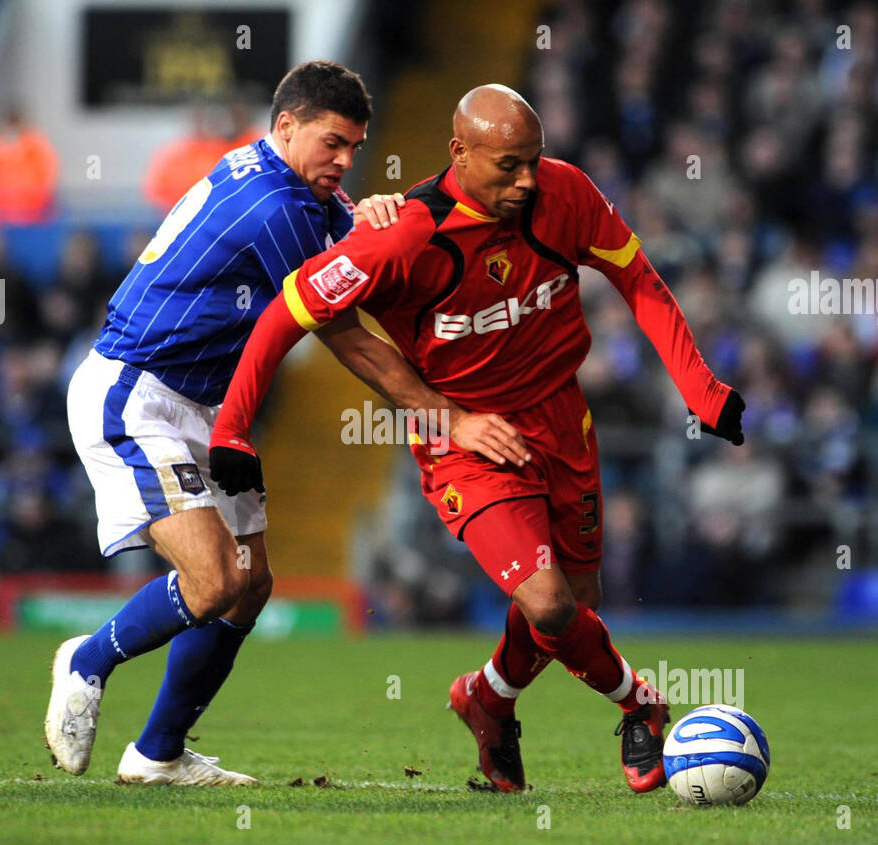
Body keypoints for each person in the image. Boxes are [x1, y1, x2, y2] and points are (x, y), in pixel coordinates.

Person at [209, 85, 746, 792]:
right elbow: (289, 311)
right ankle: (640, 701)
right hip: (464, 437)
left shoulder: (567, 193)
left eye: (534, 161)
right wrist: (231, 427)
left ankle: (488, 700)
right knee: (550, 604)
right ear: (459, 152)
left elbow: (637, 278)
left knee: (573, 606)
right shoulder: (400, 235)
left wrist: (700, 388)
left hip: (562, 420)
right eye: (508, 166)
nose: (526, 181)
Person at [47, 62, 522, 787]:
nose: (344, 160)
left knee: (252, 582)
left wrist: (376, 214)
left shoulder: (295, 187)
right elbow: (345, 335)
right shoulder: (274, 206)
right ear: (286, 127)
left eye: (355, 149)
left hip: (204, 406)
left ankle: (158, 753)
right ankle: (87, 659)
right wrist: (443, 415)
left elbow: (351, 238)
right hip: (136, 395)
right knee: (210, 582)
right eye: (333, 143)